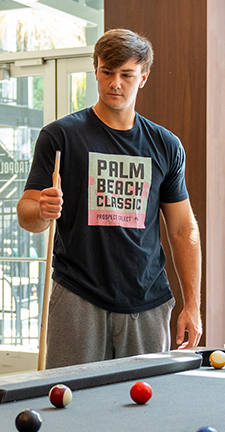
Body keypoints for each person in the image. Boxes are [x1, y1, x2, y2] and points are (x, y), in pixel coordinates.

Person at [17, 29, 204, 369]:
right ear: (96, 70)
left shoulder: (166, 145)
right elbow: (27, 213)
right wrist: (42, 211)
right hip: (78, 297)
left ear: (143, 78)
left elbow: (182, 230)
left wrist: (192, 304)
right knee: (70, 396)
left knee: (145, 397)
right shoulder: (60, 137)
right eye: (107, 72)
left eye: (126, 75)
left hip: (147, 302)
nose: (115, 83)